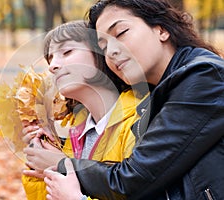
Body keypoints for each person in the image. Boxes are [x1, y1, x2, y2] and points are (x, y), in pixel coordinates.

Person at [43, 0, 224, 200]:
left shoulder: (204, 77)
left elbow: (134, 178)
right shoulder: (157, 93)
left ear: (161, 29)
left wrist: (62, 164)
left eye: (121, 33)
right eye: (103, 47)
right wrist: (53, 144)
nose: (111, 51)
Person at [21, 20, 144, 200]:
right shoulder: (75, 133)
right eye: (50, 58)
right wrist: (43, 159)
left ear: (102, 53)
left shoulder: (140, 120)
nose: (52, 66)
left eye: (67, 51)